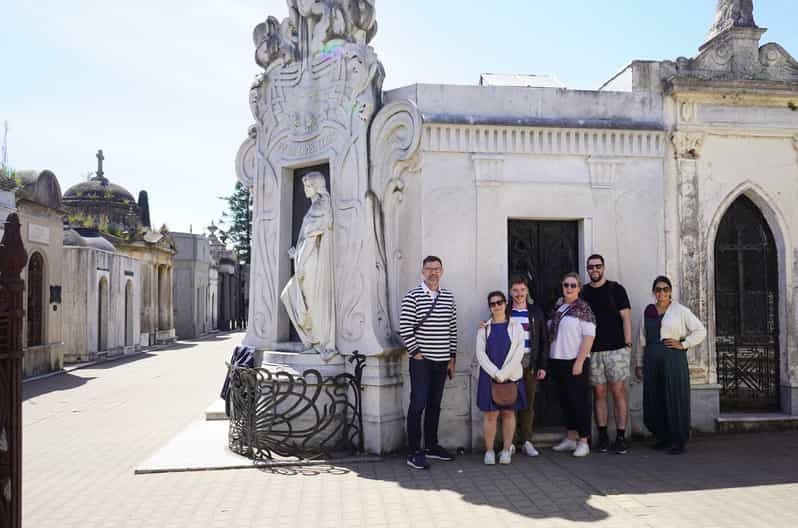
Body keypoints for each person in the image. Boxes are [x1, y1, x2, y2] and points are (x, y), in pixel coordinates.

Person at [636, 276, 706, 454]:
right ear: (654, 292)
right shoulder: (648, 311)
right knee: (655, 397)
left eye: (665, 289)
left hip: (673, 358)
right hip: (652, 359)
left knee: (674, 397)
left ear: (670, 291)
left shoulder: (680, 310)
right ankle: (663, 436)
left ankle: (678, 440)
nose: (662, 293)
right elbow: (641, 339)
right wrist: (639, 363)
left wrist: (683, 344)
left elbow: (700, 330)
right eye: (658, 289)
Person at [399, 256, 457, 470]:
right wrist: (416, 353)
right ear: (422, 271)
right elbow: (405, 327)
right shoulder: (412, 296)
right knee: (418, 404)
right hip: (421, 362)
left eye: (437, 269)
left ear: (442, 271)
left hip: (442, 361)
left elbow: (452, 329)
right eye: (429, 269)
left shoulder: (448, 297)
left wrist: (452, 358)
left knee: (434, 405)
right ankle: (414, 451)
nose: (433, 272)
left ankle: (432, 446)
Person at [581, 254, 633, 454]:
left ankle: (620, 436)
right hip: (593, 351)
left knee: (618, 391)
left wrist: (627, 345)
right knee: (599, 393)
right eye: (591, 267)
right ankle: (602, 436)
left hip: (617, 349)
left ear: (604, 267)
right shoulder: (584, 292)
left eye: (598, 266)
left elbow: (626, 318)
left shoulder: (616, 289)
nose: (594, 270)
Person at [475, 291, 528, 465]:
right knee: (491, 415)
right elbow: (480, 354)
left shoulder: (516, 327)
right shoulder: (484, 328)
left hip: (511, 376)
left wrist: (504, 374)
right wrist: (496, 374)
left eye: (499, 302)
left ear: (505, 304)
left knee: (508, 413)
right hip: (489, 377)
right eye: (492, 304)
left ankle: (506, 450)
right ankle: (489, 451)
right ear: (489, 307)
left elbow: (519, 352)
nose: (496, 306)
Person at [549, 273, 596, 457]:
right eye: (566, 285)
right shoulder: (558, 307)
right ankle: (570, 437)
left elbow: (589, 336)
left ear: (579, 288)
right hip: (558, 360)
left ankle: (584, 440)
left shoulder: (583, 308)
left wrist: (580, 361)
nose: (569, 288)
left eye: (573, 285)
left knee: (579, 402)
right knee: (565, 401)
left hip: (575, 361)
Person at [507, 276, 548, 457]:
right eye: (515, 290)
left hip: (530, 362)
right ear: (510, 292)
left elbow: (544, 340)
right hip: (510, 363)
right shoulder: (505, 311)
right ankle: (511, 442)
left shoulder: (536, 312)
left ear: (527, 291)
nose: (519, 294)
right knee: (510, 403)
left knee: (528, 404)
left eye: (522, 290)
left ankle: (527, 441)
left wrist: (542, 365)